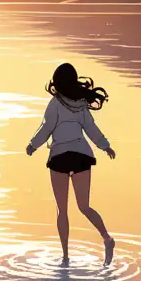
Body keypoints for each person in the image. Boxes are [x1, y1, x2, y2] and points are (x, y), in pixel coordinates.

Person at [23, 61, 117, 265]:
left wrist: (32, 145)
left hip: (59, 157)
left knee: (62, 209)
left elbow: (46, 128)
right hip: (82, 155)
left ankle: (65, 256)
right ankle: (106, 238)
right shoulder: (82, 104)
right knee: (84, 206)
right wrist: (105, 146)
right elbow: (91, 128)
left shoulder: (55, 104)